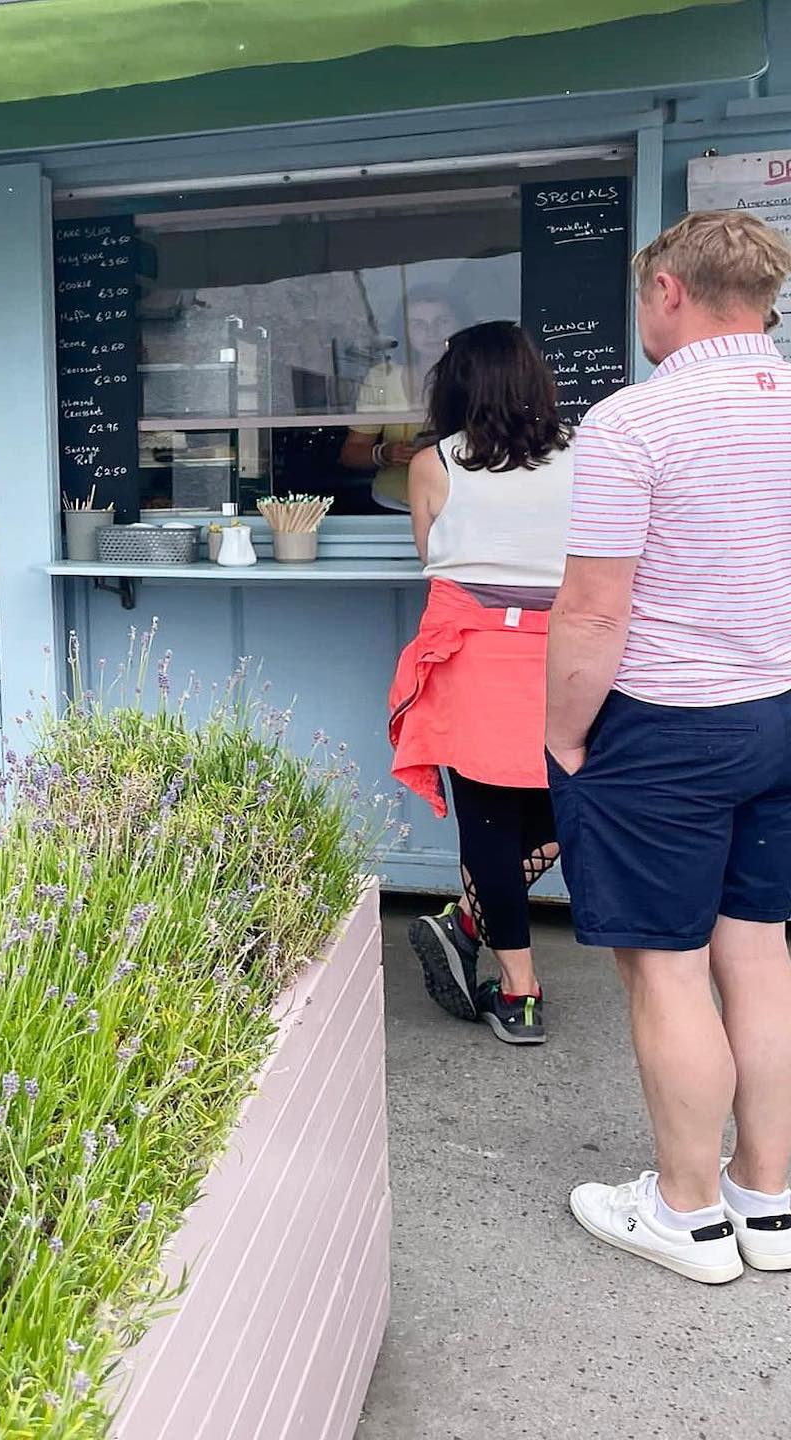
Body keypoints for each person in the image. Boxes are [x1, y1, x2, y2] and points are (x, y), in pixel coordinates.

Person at [547, 209, 791, 1285]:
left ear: (670, 293)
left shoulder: (632, 424)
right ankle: (768, 1203)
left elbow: (595, 612)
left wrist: (562, 736)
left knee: (670, 970)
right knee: (761, 952)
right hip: (778, 711)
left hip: (666, 729)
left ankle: (688, 1215)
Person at [388, 321, 574, 1045]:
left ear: (457, 385)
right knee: (566, 805)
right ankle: (482, 933)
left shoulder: (435, 463)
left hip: (475, 659)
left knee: (490, 826)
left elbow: (430, 554)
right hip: (570, 654)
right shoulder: (588, 455)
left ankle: (512, 982)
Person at [341, 286, 463, 512]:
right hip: (392, 506)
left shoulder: (481, 375)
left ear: (462, 325)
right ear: (403, 330)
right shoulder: (382, 377)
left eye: (442, 321)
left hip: (462, 507)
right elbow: (352, 452)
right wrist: (384, 454)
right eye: (418, 324)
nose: (432, 332)